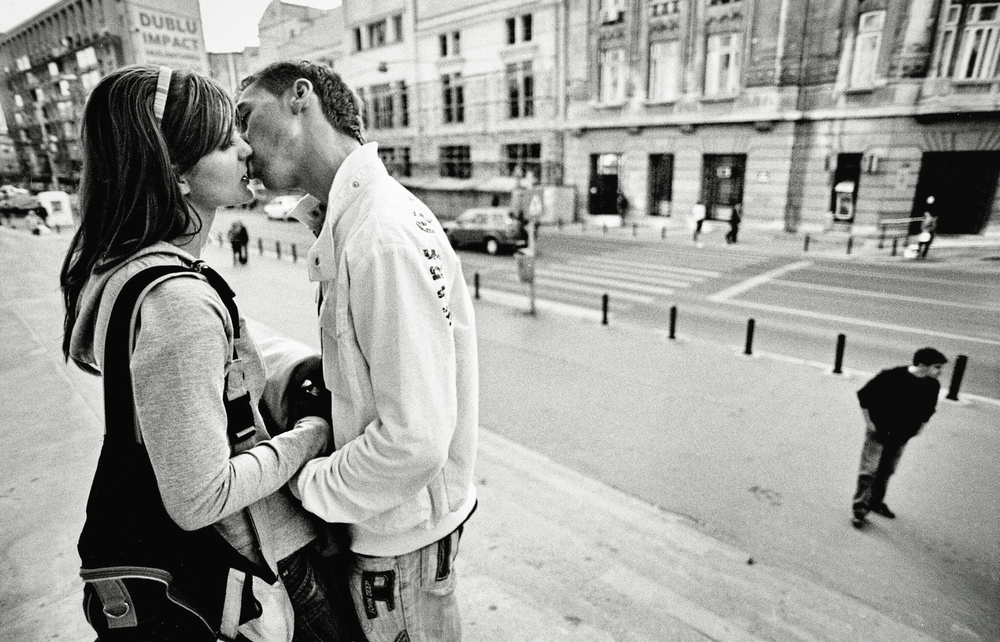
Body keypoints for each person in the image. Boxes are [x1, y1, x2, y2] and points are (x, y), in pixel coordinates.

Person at [60, 65, 358, 641]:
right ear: (176, 173)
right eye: (225, 141)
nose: (246, 148)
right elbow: (200, 496)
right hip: (259, 572)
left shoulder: (127, 274)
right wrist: (313, 435)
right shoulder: (177, 302)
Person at [237, 61, 479, 642]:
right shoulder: (362, 219)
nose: (241, 145)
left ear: (300, 97)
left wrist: (306, 484)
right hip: (397, 530)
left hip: (398, 544)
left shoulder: (379, 235)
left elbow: (413, 440)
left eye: (246, 116)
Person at [850, 347, 948, 529]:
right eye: (937, 367)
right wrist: (869, 423)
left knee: (886, 470)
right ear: (922, 365)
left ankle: (875, 502)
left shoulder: (932, 385)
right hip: (879, 431)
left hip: (901, 435)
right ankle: (860, 509)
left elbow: (928, 409)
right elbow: (864, 395)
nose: (940, 371)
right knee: (869, 471)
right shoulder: (891, 376)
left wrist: (919, 428)